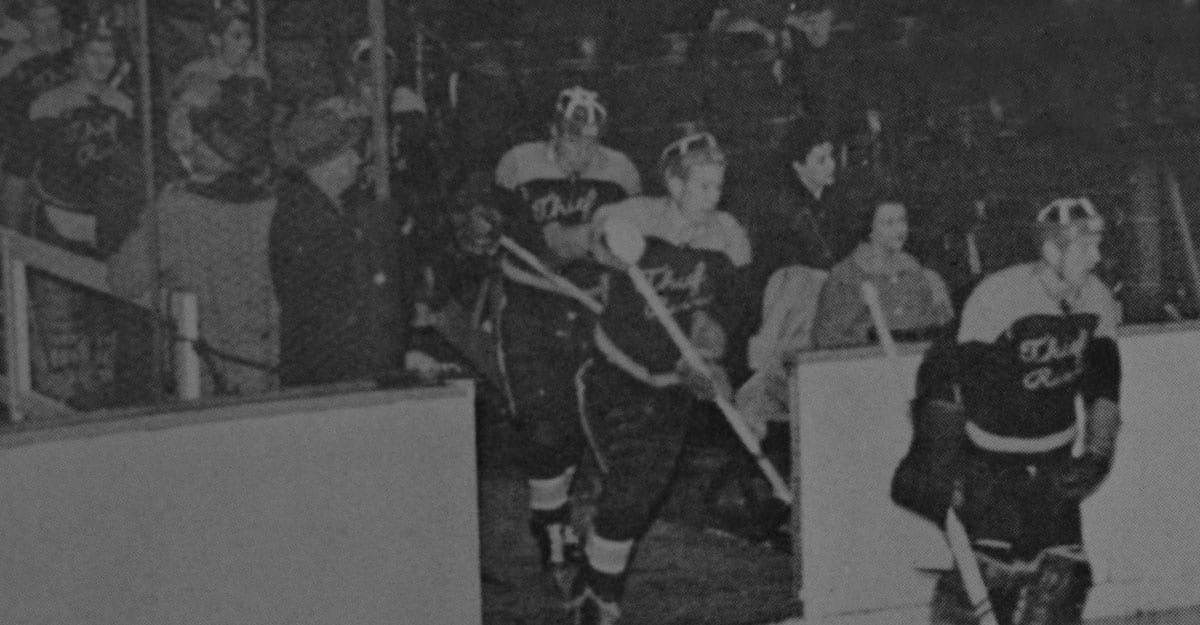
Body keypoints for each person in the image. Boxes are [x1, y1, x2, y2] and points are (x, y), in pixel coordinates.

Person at [894, 197, 1122, 625]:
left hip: (1053, 461)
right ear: (1052, 252)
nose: (1097, 257)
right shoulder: (999, 296)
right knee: (983, 587)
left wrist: (1097, 455)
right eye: (1085, 246)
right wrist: (937, 458)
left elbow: (1104, 388)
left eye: (1098, 244)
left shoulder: (1098, 300)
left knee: (1065, 583)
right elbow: (948, 379)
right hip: (990, 464)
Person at [565, 131, 743, 624]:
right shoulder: (636, 216)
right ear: (673, 183)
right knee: (632, 487)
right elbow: (592, 241)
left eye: (719, 186)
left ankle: (592, 572)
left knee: (638, 499)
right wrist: (608, 243)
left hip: (672, 388)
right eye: (703, 186)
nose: (713, 197)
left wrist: (707, 358)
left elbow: (722, 314)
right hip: (615, 376)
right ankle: (601, 599)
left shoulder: (726, 235)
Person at [492, 85, 641, 597]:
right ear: (555, 131)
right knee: (541, 421)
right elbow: (503, 229)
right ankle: (550, 529)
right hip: (531, 304)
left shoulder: (619, 172)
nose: (584, 151)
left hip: (587, 307)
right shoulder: (519, 165)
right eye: (575, 139)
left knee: (579, 420)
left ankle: (559, 522)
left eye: (593, 140)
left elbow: (626, 245)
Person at [108, 79, 279, 397]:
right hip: (266, 368)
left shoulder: (178, 206)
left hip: (205, 371)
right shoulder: (271, 205)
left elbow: (123, 280)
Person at [269, 105, 396, 388]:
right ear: (322, 164)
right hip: (331, 375)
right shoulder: (312, 222)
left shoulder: (311, 208)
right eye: (345, 153)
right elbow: (338, 313)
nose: (355, 159)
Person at [811, 195, 954, 348]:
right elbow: (827, 338)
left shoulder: (917, 272)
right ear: (869, 229)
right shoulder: (846, 276)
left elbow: (935, 328)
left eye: (902, 220)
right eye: (888, 223)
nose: (899, 229)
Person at [166, 0, 270, 179]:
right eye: (237, 36)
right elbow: (180, 141)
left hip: (254, 175)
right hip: (210, 177)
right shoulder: (196, 76)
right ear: (215, 40)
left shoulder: (257, 73)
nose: (247, 43)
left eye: (249, 36)